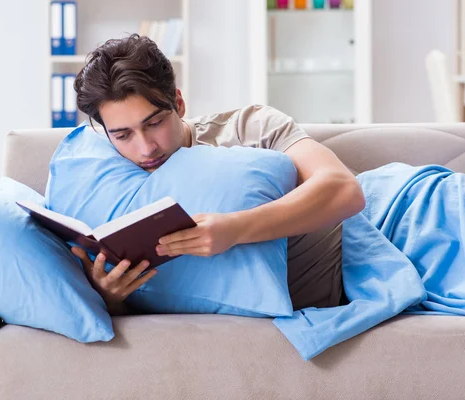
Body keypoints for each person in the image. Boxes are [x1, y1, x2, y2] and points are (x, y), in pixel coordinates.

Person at [70, 34, 365, 315]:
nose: (146, 148)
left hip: (351, 262)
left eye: (155, 123)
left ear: (179, 103)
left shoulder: (250, 128)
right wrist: (110, 298)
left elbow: (345, 190)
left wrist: (235, 229)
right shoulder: (109, 180)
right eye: (123, 135)